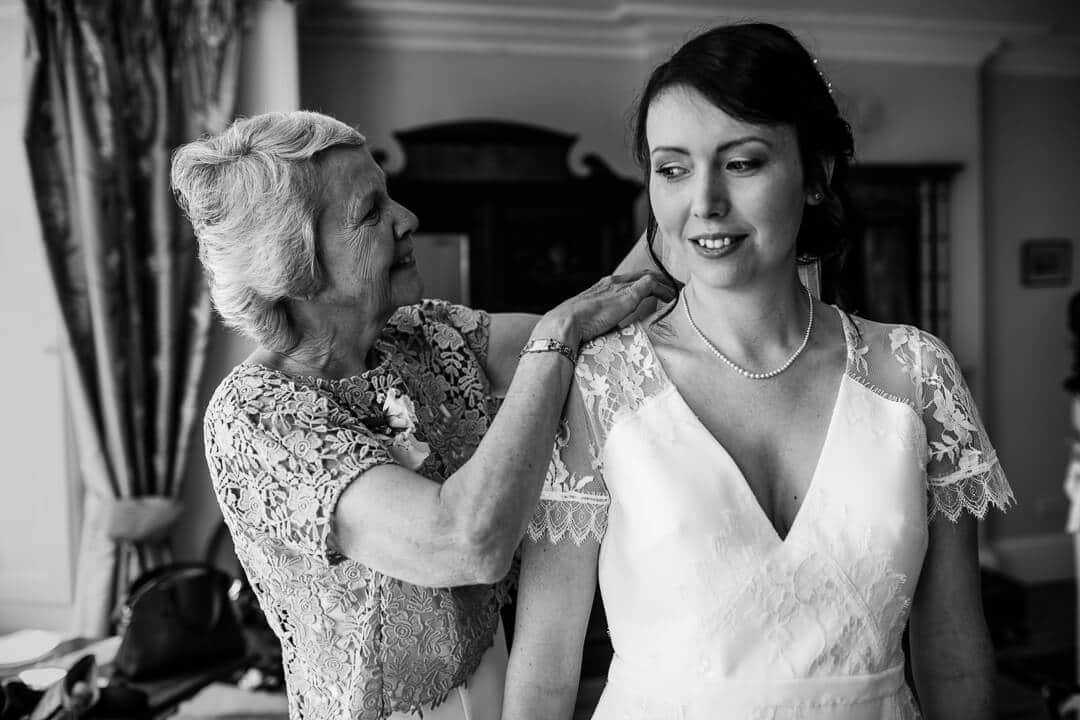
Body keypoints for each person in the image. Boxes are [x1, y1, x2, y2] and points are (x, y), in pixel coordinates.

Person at [503, 22, 1013, 720]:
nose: (704, 203)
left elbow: (953, 653)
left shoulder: (917, 375)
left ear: (818, 173)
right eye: (673, 168)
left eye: (741, 163)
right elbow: (543, 676)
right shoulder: (599, 384)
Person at [170, 111, 674, 720]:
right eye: (370, 213)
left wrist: (684, 207)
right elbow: (464, 543)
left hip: (502, 692)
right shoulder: (255, 417)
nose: (407, 219)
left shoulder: (423, 335)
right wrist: (558, 335)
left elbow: (597, 322)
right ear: (293, 266)